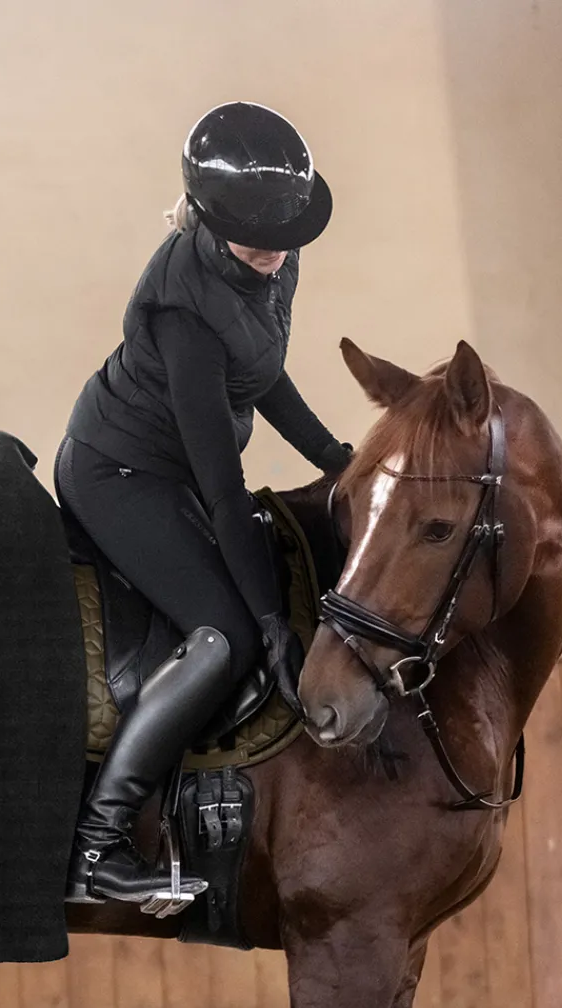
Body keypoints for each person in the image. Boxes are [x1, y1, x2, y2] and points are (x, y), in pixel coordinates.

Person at [58, 101, 353, 904]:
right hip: (119, 471)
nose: (274, 255)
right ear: (215, 225)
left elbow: (260, 371)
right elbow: (223, 488)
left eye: (283, 239)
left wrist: (337, 459)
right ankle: (98, 848)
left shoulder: (277, 246)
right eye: (256, 243)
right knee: (224, 638)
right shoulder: (183, 311)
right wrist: (269, 625)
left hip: (175, 468)